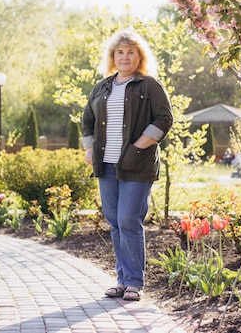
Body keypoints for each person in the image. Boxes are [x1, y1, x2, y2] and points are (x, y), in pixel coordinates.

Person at [82, 29, 173, 301]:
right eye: (120, 52)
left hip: (137, 165)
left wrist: (138, 146)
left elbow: (164, 118)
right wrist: (89, 147)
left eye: (131, 52)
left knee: (128, 221)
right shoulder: (103, 86)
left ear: (139, 56)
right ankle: (121, 280)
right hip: (106, 166)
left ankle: (134, 282)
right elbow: (87, 118)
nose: (125, 57)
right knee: (115, 222)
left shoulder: (149, 85)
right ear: (113, 56)